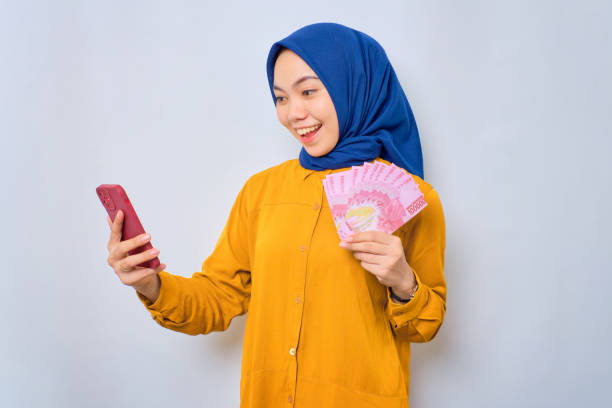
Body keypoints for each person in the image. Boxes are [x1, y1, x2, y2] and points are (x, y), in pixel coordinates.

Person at [105, 22, 446, 408]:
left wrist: (405, 284)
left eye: (309, 91)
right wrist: (150, 284)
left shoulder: (414, 199)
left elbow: (427, 324)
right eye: (281, 98)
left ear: (355, 86)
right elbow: (219, 297)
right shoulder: (261, 192)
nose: (293, 113)